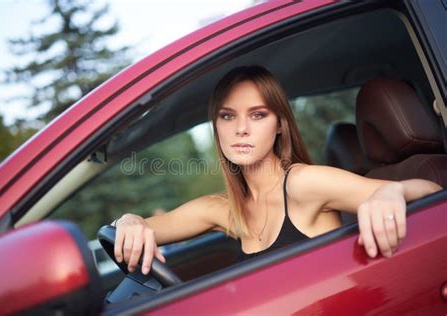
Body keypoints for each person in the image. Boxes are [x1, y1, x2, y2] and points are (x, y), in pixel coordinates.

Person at [111, 65, 442, 275]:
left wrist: (391, 190)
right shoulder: (225, 210)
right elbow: (141, 228)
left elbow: (433, 194)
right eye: (228, 116)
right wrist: (129, 221)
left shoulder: (303, 183)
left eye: (257, 115)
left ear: (280, 125)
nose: (240, 128)